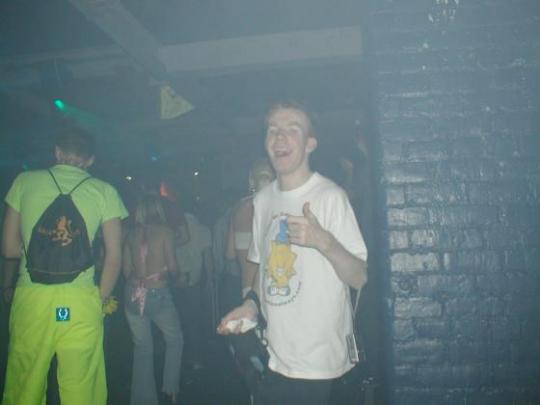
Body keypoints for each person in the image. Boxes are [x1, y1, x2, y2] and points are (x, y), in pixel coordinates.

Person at [218, 103, 368, 405]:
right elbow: (263, 268)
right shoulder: (262, 200)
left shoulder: (330, 197)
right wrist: (251, 304)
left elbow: (360, 277)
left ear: (310, 143)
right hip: (274, 359)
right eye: (273, 130)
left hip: (321, 366)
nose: (279, 137)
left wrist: (324, 242)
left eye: (292, 129)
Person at [1, 126, 127, 405]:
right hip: (80, 300)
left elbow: (8, 249)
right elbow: (114, 257)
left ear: (57, 152)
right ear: (90, 160)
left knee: (25, 384)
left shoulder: (24, 181)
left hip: (32, 298)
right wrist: (99, 299)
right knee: (81, 387)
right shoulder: (104, 191)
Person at [123, 195, 183, 405]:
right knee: (175, 339)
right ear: (158, 210)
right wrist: (167, 274)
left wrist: (142, 277)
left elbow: (126, 272)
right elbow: (173, 268)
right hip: (157, 294)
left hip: (132, 293)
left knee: (142, 348)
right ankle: (170, 391)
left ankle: (143, 400)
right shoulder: (166, 232)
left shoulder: (131, 235)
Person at [226, 159, 275, 298]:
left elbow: (229, 253)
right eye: (265, 177)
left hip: (247, 290)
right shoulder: (276, 209)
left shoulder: (237, 209)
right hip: (273, 290)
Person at [174, 211, 212, 370]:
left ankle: (181, 357)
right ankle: (196, 358)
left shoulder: (174, 228)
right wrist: (210, 280)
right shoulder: (203, 230)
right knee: (194, 321)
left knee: (179, 321)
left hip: (175, 279)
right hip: (194, 281)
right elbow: (208, 259)